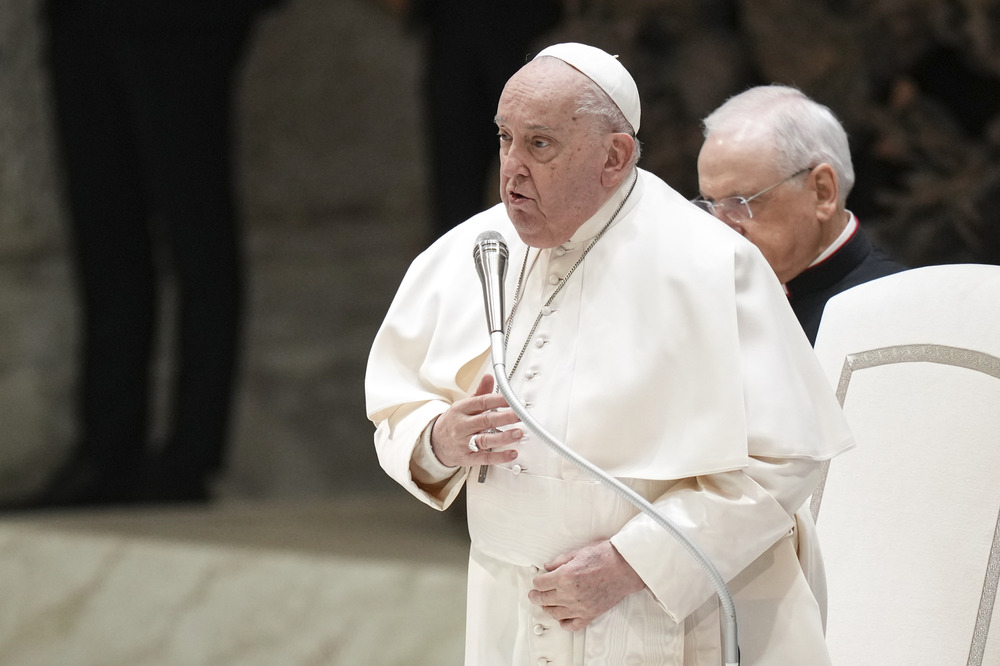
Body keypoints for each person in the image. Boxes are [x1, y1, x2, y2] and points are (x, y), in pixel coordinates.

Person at [366, 43, 854, 664]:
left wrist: (635, 563)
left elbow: (789, 458)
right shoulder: (471, 250)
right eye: (504, 138)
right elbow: (396, 406)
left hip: (669, 611)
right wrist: (438, 440)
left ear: (614, 156)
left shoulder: (707, 264)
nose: (511, 169)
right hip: (512, 606)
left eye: (539, 145)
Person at [31, 0, 281, 507]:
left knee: (196, 230)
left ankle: (190, 456)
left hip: (182, 19)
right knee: (103, 233)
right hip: (82, 16)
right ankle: (106, 450)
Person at [695, 85, 907, 344]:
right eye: (711, 203)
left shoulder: (900, 314)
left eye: (740, 202)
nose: (722, 228)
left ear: (822, 192)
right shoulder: (719, 311)